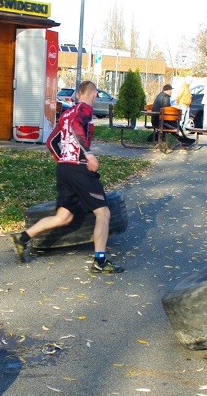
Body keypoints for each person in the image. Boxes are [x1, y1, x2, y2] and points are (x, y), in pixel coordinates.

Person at [11, 80, 124, 273]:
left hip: (64, 168)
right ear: (94, 94)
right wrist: (86, 153)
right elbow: (76, 125)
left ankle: (22, 238)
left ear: (77, 93)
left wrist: (64, 160)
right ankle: (100, 261)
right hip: (79, 169)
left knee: (63, 217)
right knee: (103, 212)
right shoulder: (83, 110)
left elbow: (51, 142)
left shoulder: (67, 112)